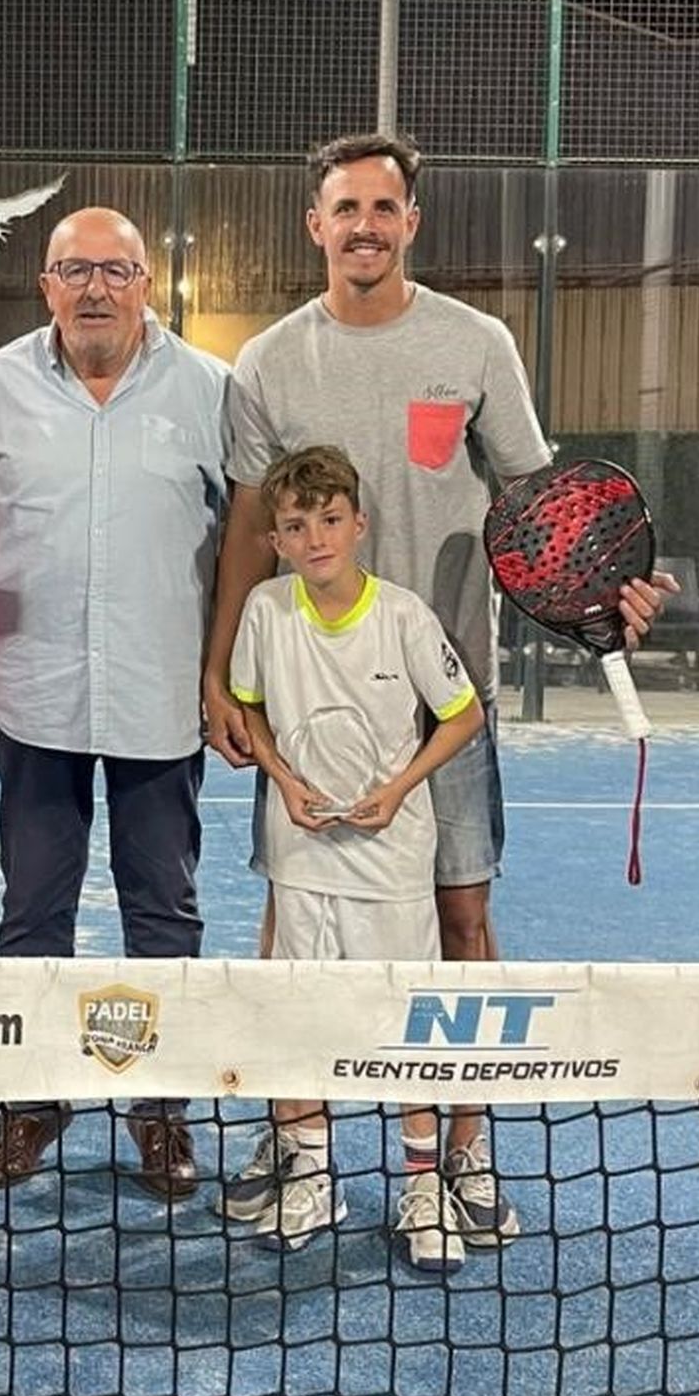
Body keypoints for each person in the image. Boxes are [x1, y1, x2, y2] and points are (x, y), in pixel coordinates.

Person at [203, 131, 666, 1257]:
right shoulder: (266, 363)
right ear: (313, 226)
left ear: (410, 222)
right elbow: (245, 538)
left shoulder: (475, 344)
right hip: (308, 708)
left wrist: (613, 596)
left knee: (461, 919)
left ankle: (461, 1147)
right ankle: (296, 1137)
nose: (362, 225)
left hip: (443, 700)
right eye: (342, 208)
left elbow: (541, 511)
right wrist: (221, 674)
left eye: (382, 207)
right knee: (291, 928)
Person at [0, 205, 230, 1199]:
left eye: (116, 270)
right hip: (34, 702)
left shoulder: (212, 391)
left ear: (148, 283)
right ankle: (32, 1102)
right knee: (31, 917)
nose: (95, 288)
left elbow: (244, 543)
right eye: (75, 269)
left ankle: (161, 1112)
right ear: (46, 285)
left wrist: (230, 675)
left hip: (162, 701)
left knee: (165, 918)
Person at [221, 445, 487, 1264]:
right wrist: (281, 780)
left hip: (391, 863)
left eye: (330, 520)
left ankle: (419, 1186)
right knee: (300, 1014)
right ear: (276, 539)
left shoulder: (403, 615)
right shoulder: (265, 611)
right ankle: (311, 1174)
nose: (316, 538)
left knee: (403, 1024)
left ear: (359, 525)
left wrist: (400, 787)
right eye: (296, 526)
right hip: (301, 856)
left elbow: (462, 715)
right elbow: (249, 708)